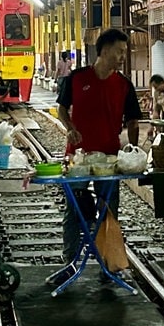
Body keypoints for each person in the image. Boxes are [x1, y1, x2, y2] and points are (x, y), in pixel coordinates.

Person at [49, 28, 142, 286]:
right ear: (103, 50)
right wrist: (70, 129)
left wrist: (132, 150)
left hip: (110, 160)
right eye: (119, 51)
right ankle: (68, 263)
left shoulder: (124, 84)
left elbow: (133, 120)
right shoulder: (77, 78)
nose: (123, 56)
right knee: (73, 210)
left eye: (125, 51)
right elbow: (61, 108)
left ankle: (109, 266)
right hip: (77, 159)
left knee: (109, 211)